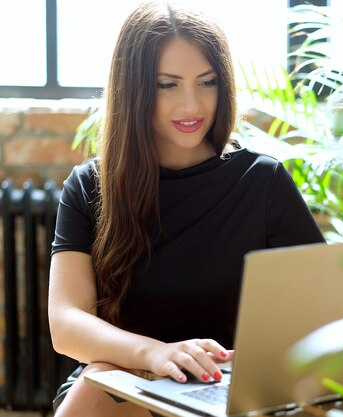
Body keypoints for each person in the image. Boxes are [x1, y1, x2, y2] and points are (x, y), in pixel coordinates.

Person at [47, 2, 326, 416]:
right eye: (168, 85)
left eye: (207, 82)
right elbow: (66, 322)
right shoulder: (91, 186)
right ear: (135, 88)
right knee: (97, 383)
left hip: (228, 390)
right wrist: (154, 354)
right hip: (127, 379)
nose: (192, 106)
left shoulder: (263, 182)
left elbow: (326, 309)